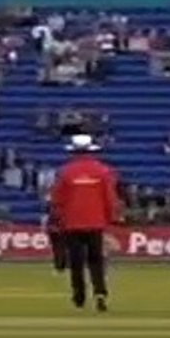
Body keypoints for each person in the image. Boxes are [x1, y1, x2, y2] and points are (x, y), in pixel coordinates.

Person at [49, 134, 120, 312]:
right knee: (96, 261)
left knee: (76, 262)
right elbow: (109, 198)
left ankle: (79, 296)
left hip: (72, 224)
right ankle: (100, 293)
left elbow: (58, 200)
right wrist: (112, 218)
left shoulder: (66, 172)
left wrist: (57, 219)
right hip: (95, 223)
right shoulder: (103, 171)